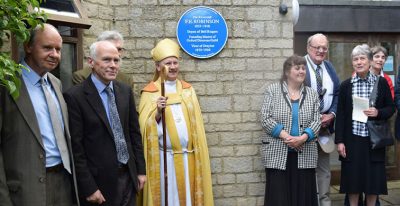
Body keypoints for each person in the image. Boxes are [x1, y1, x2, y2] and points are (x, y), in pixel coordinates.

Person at [0, 23, 79, 205]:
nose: (55, 55)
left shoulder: (56, 83)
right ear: (28, 46)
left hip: (64, 183)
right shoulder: (7, 85)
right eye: (47, 48)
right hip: (25, 190)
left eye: (58, 49)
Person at [64, 41, 146, 206]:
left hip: (129, 177)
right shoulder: (75, 96)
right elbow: (76, 148)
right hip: (99, 184)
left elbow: (134, 133)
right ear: (91, 62)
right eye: (107, 60)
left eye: (116, 60)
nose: (113, 65)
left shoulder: (124, 91)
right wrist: (89, 187)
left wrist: (140, 171)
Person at [138, 38, 214, 206]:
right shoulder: (150, 92)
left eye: (175, 62)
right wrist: (157, 113)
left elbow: (196, 127)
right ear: (158, 67)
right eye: (167, 63)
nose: (173, 67)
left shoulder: (188, 90)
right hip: (165, 160)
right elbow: (144, 128)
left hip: (189, 158)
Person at [335, 44, 394, 206]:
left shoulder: (381, 83)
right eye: (355, 59)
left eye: (362, 58)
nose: (359, 62)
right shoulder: (346, 85)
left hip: (373, 142)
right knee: (352, 184)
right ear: (352, 63)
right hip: (352, 141)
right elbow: (341, 115)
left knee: (373, 185)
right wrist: (339, 141)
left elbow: (391, 108)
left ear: (369, 62)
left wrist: (378, 112)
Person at [260, 55, 321, 206]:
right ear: (287, 72)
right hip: (277, 153)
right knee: (279, 198)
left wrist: (303, 138)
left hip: (305, 152)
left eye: (303, 68)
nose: (301, 71)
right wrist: (288, 138)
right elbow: (265, 118)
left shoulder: (312, 94)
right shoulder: (273, 90)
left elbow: (317, 121)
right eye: (297, 68)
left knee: (303, 198)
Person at [304, 33, 340, 206]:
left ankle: (325, 203)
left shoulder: (329, 67)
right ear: (308, 48)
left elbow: (338, 94)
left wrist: (332, 114)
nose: (320, 51)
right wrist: (312, 116)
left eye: (324, 47)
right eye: (317, 47)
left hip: (325, 128)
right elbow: (290, 95)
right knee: (305, 171)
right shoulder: (299, 65)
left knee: (324, 171)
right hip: (304, 129)